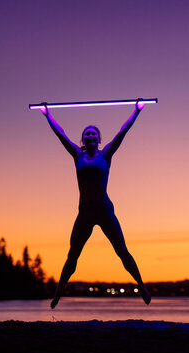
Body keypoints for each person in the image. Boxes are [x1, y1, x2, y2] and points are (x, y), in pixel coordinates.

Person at [40, 101, 151, 309]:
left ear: (99, 139)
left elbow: (123, 131)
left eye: (94, 135)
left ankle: (142, 287)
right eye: (87, 135)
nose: (90, 137)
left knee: (122, 251)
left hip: (105, 211)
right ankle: (57, 296)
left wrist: (136, 111)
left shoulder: (106, 154)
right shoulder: (77, 154)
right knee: (73, 255)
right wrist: (48, 115)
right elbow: (60, 133)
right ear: (83, 140)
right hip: (85, 213)